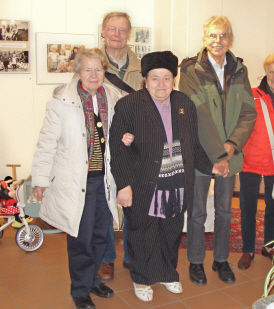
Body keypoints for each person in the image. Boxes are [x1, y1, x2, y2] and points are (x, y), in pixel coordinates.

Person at [109, 51, 227, 302]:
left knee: (171, 231)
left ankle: (166, 272)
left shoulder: (184, 103)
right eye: (154, 78)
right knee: (142, 232)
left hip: (176, 183)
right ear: (145, 80)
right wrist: (124, 185)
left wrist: (210, 167)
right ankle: (141, 277)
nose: (161, 84)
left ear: (173, 79)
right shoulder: (129, 105)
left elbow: (193, 144)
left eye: (166, 78)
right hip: (143, 183)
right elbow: (118, 150)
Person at [31, 48, 121, 309]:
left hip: (104, 181)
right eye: (87, 70)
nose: (94, 75)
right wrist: (40, 179)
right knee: (80, 238)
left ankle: (93, 280)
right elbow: (46, 143)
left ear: (105, 71)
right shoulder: (62, 101)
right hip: (75, 183)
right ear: (78, 72)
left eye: (98, 69)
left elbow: (118, 137)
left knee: (100, 235)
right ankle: (80, 289)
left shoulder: (113, 98)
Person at [179, 16, 256, 285]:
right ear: (204, 38)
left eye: (223, 36)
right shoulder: (190, 71)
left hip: (230, 154)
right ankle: (196, 261)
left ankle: (221, 260)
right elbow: (197, 114)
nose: (218, 41)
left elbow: (249, 112)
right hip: (202, 154)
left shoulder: (240, 71)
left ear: (230, 40)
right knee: (197, 212)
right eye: (212, 35)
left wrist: (233, 144)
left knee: (224, 211)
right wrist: (218, 154)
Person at [238, 52, 274, 269]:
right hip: (250, 161)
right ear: (265, 72)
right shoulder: (251, 95)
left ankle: (269, 246)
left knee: (273, 207)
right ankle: (247, 250)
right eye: (271, 71)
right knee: (247, 208)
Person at [96, 11, 143, 281]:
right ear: (103, 31)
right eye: (111, 29)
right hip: (103, 143)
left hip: (135, 144)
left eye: (122, 30)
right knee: (105, 201)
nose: (116, 34)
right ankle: (105, 259)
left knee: (134, 201)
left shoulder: (142, 67)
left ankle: (132, 254)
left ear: (129, 34)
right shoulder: (94, 64)